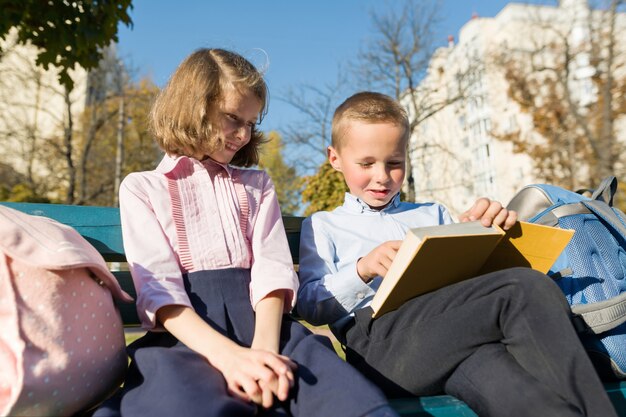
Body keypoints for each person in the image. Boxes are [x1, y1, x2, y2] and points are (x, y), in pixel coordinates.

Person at [94, 50, 397, 417]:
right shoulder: (143, 188)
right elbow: (159, 288)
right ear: (191, 107)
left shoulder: (257, 185)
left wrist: (264, 353)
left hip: (267, 327)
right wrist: (232, 359)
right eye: (232, 118)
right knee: (184, 403)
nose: (242, 134)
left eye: (251, 123)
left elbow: (272, 269)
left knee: (342, 397)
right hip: (186, 335)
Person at [296, 91, 618, 417]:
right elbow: (308, 304)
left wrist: (486, 232)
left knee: (503, 382)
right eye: (366, 163)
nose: (382, 176)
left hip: (452, 337)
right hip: (380, 349)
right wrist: (362, 270)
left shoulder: (432, 212)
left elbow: (469, 283)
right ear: (334, 158)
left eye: (395, 163)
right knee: (523, 288)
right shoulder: (324, 224)